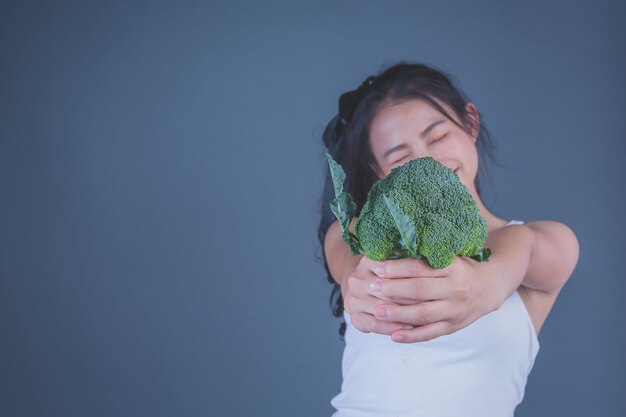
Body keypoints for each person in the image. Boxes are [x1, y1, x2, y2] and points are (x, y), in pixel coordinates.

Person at [318, 62, 579, 417]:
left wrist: (489, 280)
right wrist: (358, 286)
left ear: (470, 122)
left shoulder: (539, 240)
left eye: (437, 136)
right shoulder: (358, 234)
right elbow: (348, 259)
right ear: (379, 172)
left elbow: (527, 248)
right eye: (401, 157)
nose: (428, 161)